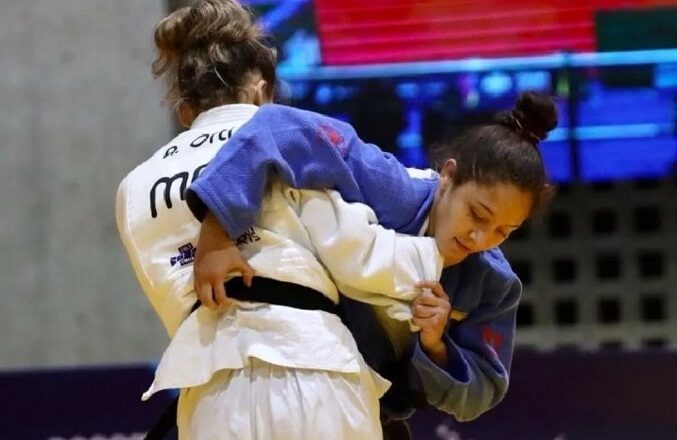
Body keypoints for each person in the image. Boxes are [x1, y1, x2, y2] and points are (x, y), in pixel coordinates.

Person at [116, 1, 462, 438]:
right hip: (317, 371)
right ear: (262, 91)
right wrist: (433, 258)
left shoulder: (135, 186)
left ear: (184, 111)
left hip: (210, 393)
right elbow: (356, 253)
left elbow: (173, 299)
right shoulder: (287, 142)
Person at [185, 91, 558, 425]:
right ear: (447, 177)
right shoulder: (386, 184)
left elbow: (480, 393)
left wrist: (435, 343)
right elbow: (278, 125)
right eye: (477, 214)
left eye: (503, 232)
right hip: (288, 366)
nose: (481, 238)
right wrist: (218, 230)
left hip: (374, 410)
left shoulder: (494, 284)